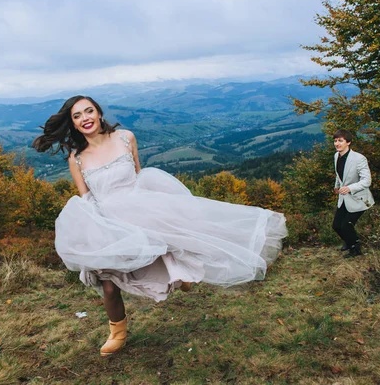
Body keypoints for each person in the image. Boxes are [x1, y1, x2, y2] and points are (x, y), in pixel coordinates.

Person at [32, 96, 287, 356]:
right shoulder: (76, 158)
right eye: (77, 116)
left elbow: (139, 174)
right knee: (108, 283)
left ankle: (182, 273)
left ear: (99, 113)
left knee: (171, 241)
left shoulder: (124, 138)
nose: (85, 118)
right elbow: (86, 197)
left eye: (89, 111)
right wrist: (98, 230)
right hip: (107, 219)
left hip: (141, 206)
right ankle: (117, 332)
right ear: (73, 123)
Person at [332, 129, 374, 258]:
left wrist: (350, 188)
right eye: (335, 141)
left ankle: (356, 249)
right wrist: (337, 186)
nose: (337, 143)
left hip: (359, 198)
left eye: (340, 140)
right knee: (336, 226)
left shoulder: (359, 158)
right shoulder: (336, 156)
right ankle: (349, 242)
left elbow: (367, 181)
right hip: (344, 197)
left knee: (346, 226)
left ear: (348, 142)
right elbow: (340, 175)